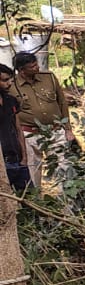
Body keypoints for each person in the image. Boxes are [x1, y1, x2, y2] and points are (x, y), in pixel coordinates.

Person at [8, 51, 75, 186]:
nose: (37, 68)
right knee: (33, 171)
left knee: (64, 167)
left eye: (36, 64)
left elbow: (62, 103)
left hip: (55, 131)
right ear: (21, 70)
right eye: (32, 67)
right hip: (29, 135)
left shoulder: (48, 78)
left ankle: (68, 203)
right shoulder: (12, 86)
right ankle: (36, 203)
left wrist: (68, 129)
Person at [0, 64, 32, 193]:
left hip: (16, 160)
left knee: (29, 198)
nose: (9, 84)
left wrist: (24, 157)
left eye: (10, 80)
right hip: (3, 162)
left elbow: (18, 130)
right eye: (5, 80)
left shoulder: (10, 101)